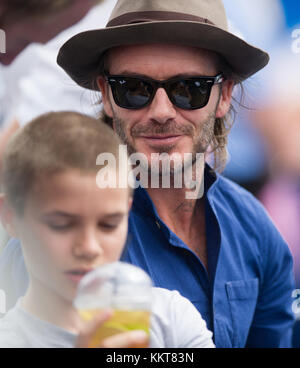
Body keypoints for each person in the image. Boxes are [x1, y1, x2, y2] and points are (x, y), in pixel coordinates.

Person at [0, 0, 295, 348]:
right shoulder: (51, 239)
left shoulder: (255, 229)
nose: (161, 111)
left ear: (224, 95)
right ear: (107, 95)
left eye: (189, 90)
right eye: (134, 89)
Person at [0, 111, 214, 348]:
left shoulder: (171, 320)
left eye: (109, 224)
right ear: (10, 216)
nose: (89, 247)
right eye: (60, 224)